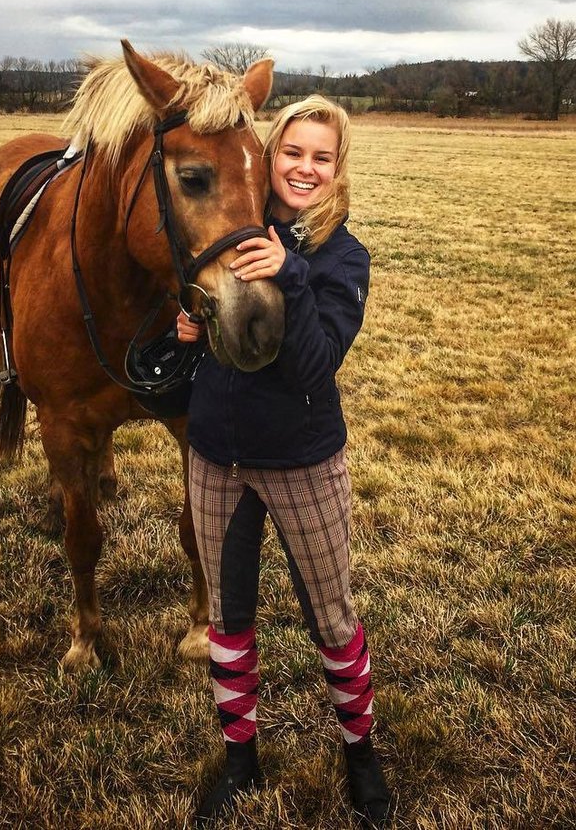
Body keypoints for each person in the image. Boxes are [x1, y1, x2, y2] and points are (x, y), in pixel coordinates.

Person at [177, 95, 393, 827]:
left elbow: (312, 366)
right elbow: (205, 336)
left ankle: (361, 760)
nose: (304, 167)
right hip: (216, 458)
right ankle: (241, 763)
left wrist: (291, 273)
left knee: (332, 620)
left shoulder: (343, 257)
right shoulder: (234, 229)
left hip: (302, 461)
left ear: (338, 171)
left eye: (320, 157)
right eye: (292, 151)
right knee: (229, 621)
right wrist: (187, 327)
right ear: (270, 156)